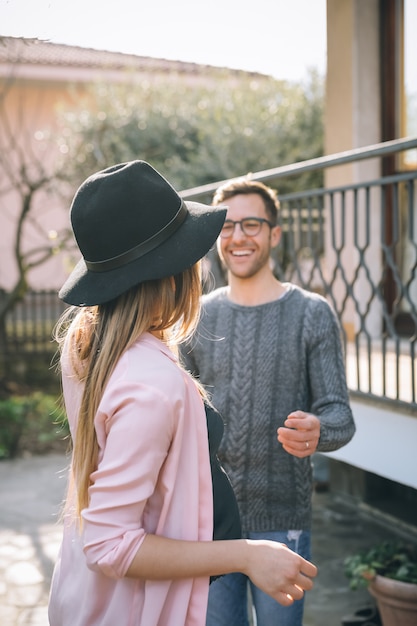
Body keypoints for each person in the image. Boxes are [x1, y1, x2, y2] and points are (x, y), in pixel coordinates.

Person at [48, 161, 317, 626]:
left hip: (90, 601)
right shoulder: (153, 386)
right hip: (137, 611)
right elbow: (109, 544)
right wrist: (245, 555)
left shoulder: (85, 348)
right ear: (172, 271)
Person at [180, 176, 356, 626]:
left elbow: (339, 415)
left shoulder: (312, 313)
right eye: (226, 226)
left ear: (275, 233)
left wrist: (320, 430)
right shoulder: (198, 317)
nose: (238, 237)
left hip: (283, 519)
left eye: (252, 224)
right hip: (212, 523)